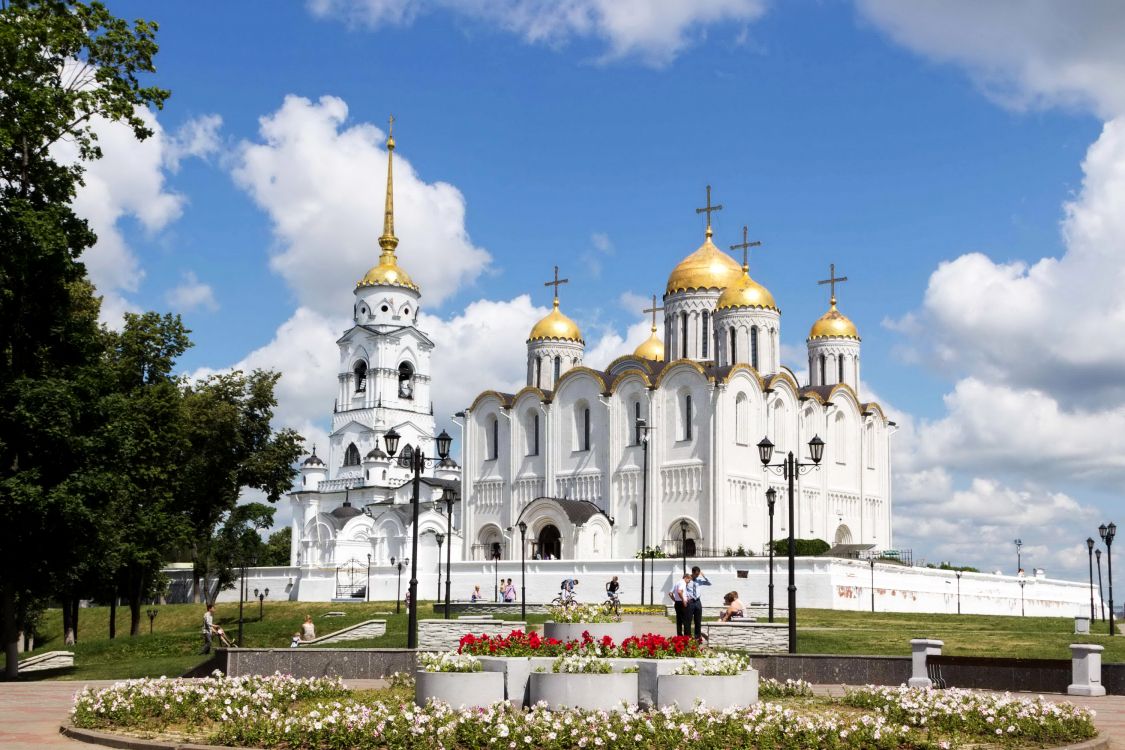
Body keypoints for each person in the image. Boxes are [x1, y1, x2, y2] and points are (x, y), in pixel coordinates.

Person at [686, 566, 712, 640]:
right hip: (690, 602)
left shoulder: (699, 580)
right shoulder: (687, 580)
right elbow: (682, 588)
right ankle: (688, 637)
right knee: (688, 620)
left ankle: (697, 637)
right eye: (696, 574)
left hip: (697, 602)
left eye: (698, 574)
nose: (697, 576)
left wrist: (704, 576)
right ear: (693, 572)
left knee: (698, 620)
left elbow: (709, 583)